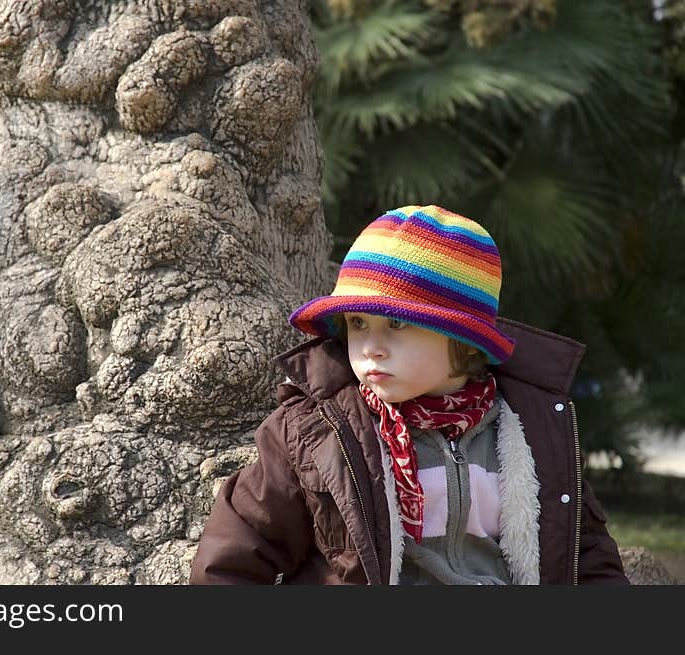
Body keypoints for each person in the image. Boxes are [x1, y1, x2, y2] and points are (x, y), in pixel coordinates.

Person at [189, 204, 628, 585]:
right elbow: (240, 548)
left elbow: (585, 554)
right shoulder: (315, 432)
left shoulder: (532, 431)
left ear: (467, 342)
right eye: (358, 324)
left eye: (397, 324)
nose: (371, 346)